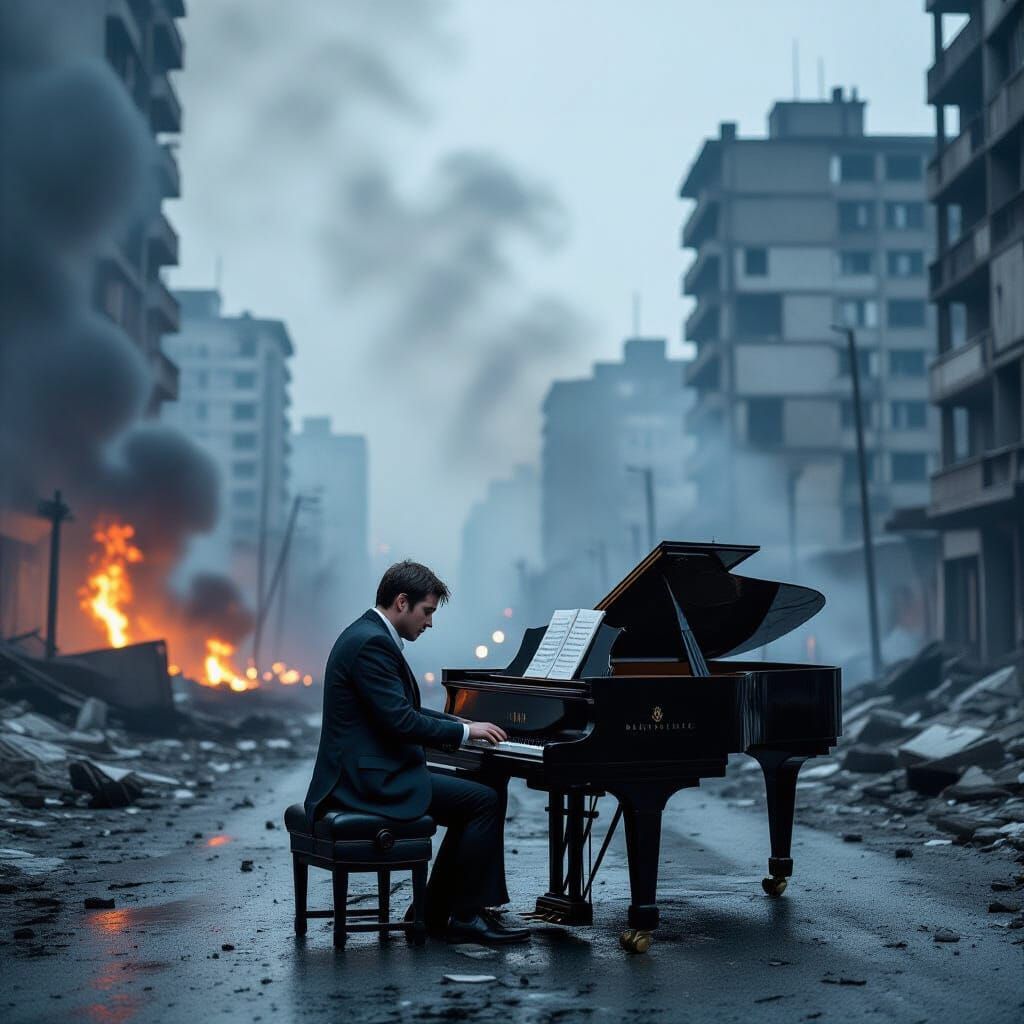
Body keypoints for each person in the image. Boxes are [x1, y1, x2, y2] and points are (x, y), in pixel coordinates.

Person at [303, 560, 529, 945]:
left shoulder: (369, 635)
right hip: (364, 783)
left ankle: (435, 910)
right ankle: (465, 916)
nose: (430, 623)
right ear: (402, 603)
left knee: (483, 786)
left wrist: (462, 729)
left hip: (369, 773)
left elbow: (400, 711)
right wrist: (462, 730)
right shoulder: (371, 643)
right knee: (483, 802)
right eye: (427, 612)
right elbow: (401, 722)